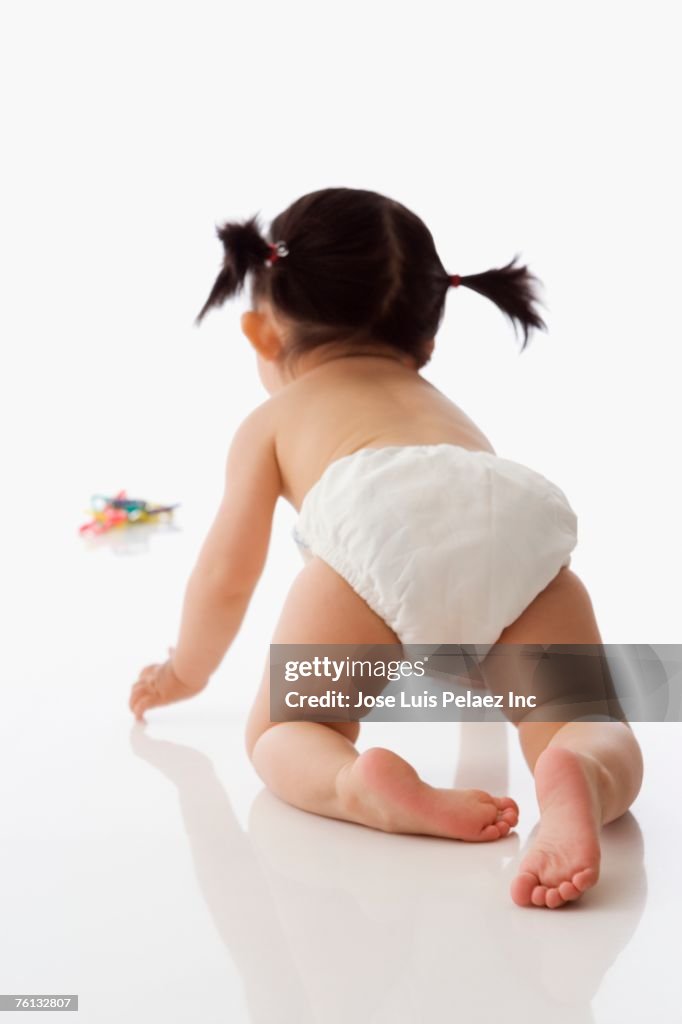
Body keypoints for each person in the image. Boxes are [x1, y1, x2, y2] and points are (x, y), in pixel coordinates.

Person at [129, 187, 643, 909]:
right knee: (584, 717)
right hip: (510, 511)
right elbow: (464, 558)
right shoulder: (448, 414)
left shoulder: (273, 420)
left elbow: (225, 575)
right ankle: (580, 770)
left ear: (262, 333)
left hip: (371, 526)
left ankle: (355, 783)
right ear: (428, 340)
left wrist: (184, 671)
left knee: (291, 727)